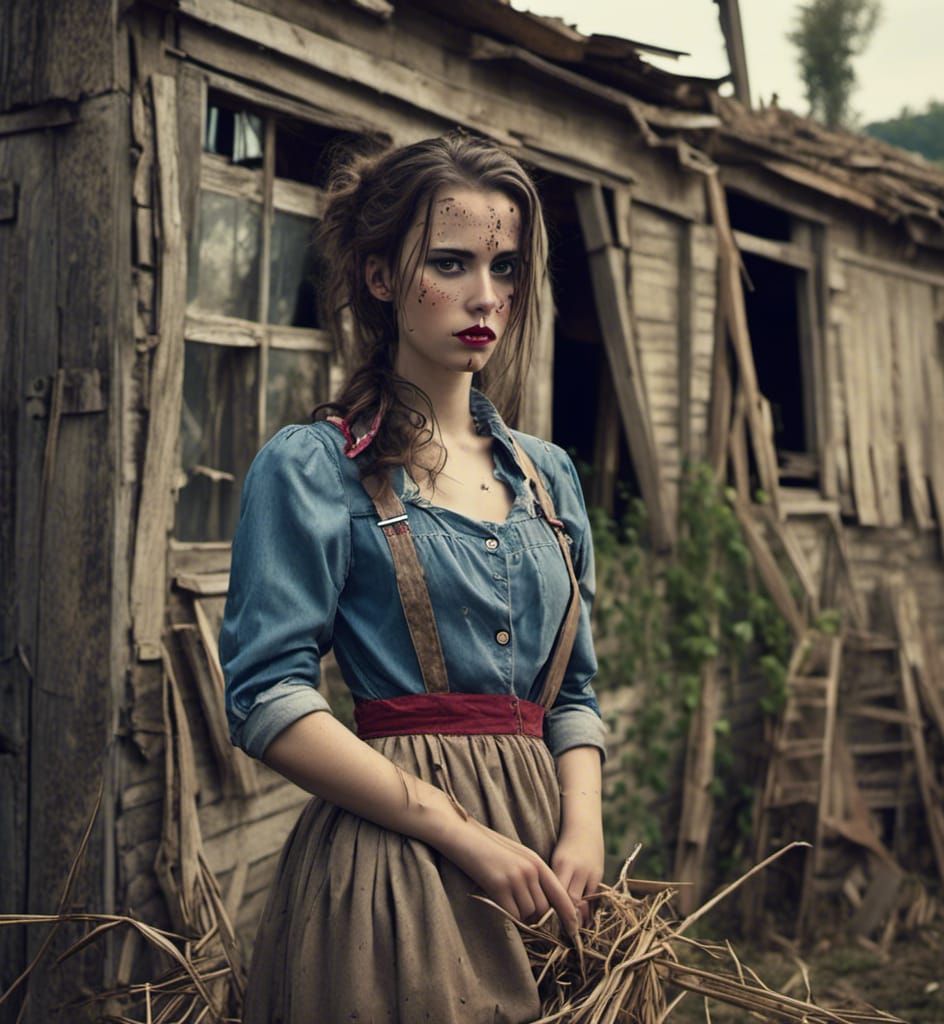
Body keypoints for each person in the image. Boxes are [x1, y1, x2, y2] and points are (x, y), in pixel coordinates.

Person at [220, 132, 606, 1023]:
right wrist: (457, 829)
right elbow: (266, 697)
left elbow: (574, 693)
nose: (486, 296)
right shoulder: (314, 467)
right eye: (450, 262)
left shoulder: (549, 477)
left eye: (506, 268)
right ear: (380, 277)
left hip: (547, 878)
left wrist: (582, 829)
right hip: (396, 873)